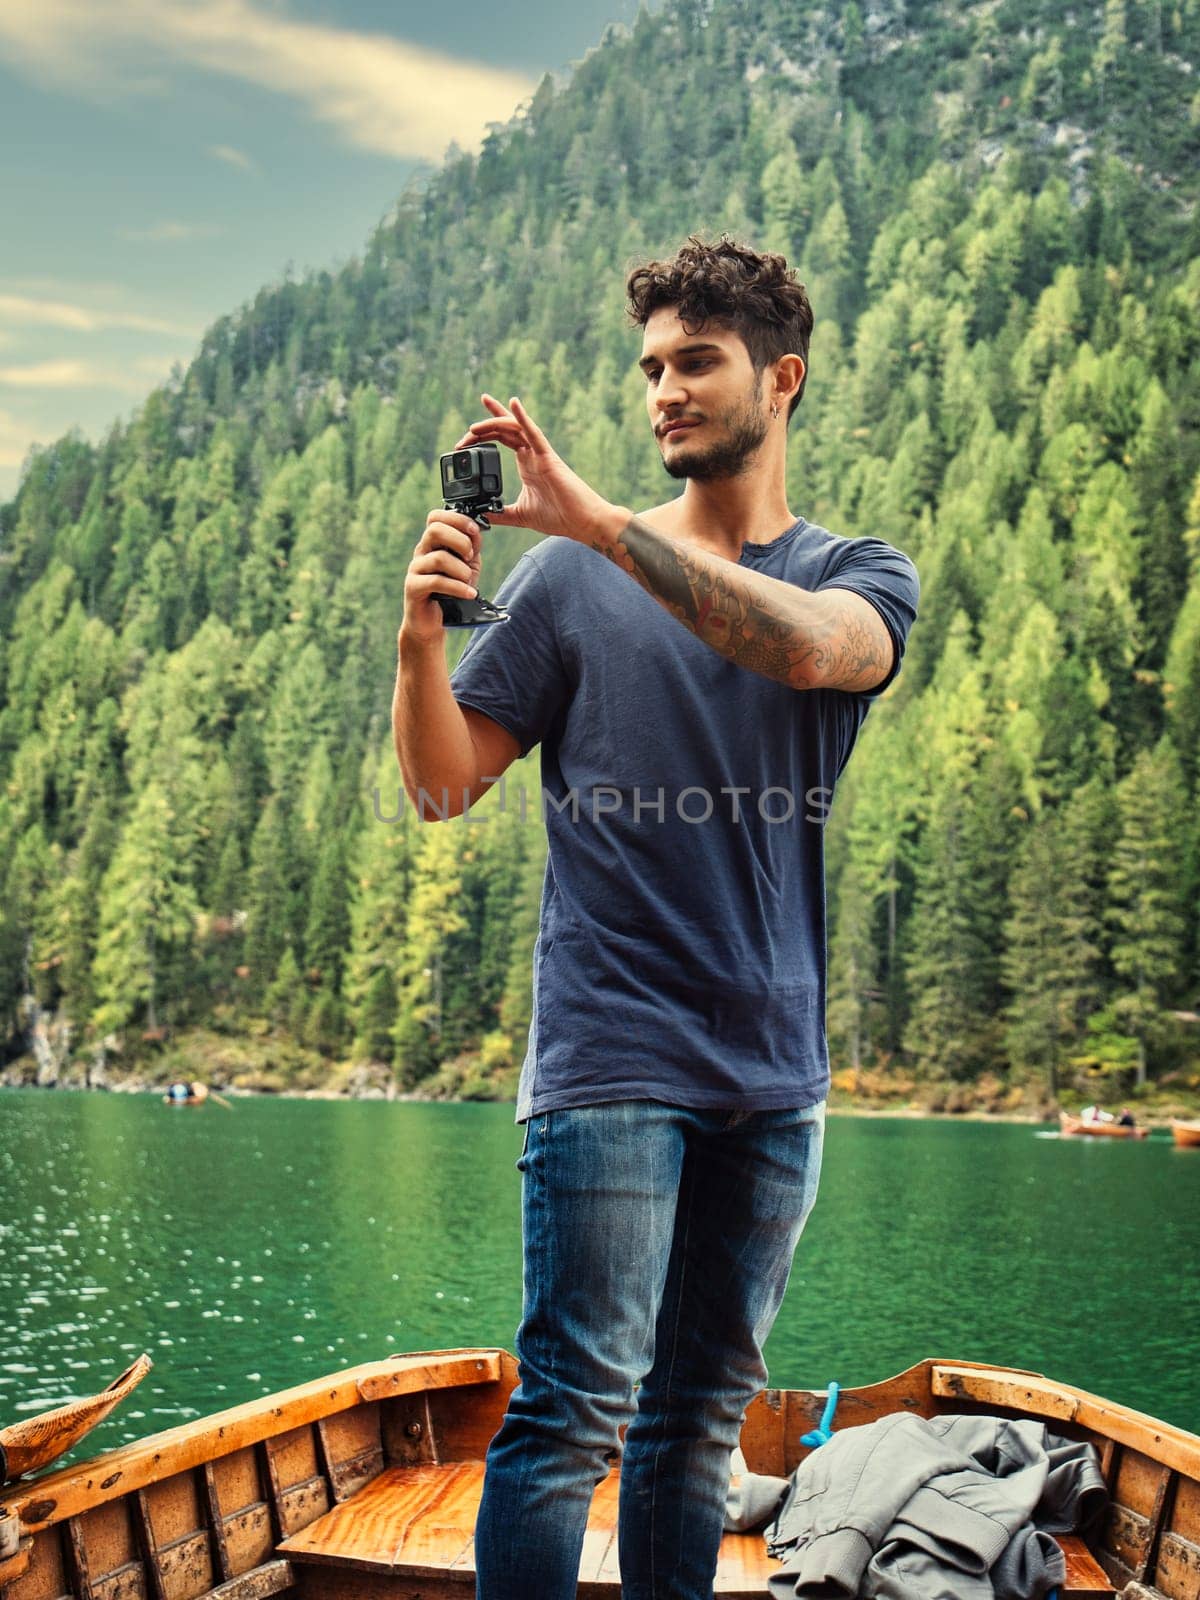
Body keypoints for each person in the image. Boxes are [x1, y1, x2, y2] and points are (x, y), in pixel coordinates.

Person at [392, 234, 920, 1600]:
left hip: (774, 1077)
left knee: (693, 1434)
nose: (662, 391)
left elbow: (805, 650)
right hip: (609, 1061)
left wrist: (598, 523)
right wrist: (415, 649)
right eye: (649, 368)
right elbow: (446, 786)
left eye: (696, 362)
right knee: (570, 1415)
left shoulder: (860, 573)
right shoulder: (565, 586)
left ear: (782, 379)